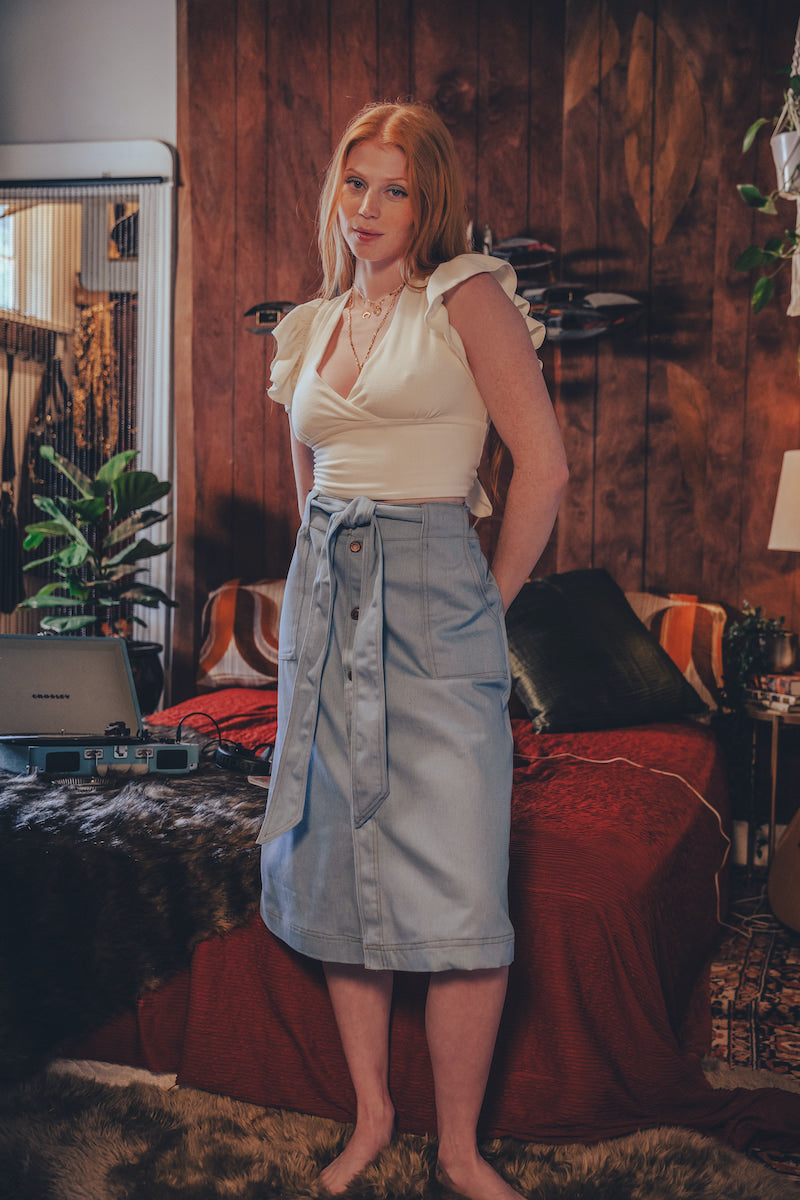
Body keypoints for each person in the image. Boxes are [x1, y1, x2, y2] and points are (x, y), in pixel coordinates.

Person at [256, 100, 568, 1200]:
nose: (369, 207)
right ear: (333, 191)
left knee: (459, 880)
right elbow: (309, 487)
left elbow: (542, 466)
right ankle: (373, 1117)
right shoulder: (307, 326)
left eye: (395, 188)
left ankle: (459, 1149)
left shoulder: (465, 296)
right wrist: (311, 595)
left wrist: (486, 600)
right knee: (340, 864)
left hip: (436, 584)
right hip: (325, 597)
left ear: (427, 201)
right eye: (356, 182)